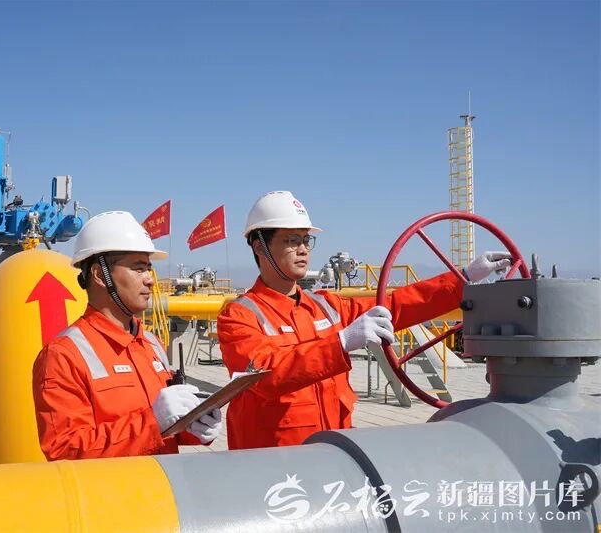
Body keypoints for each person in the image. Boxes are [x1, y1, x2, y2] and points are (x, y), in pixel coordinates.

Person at [217, 191, 512, 450]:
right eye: (291, 240)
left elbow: (395, 305)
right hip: (272, 464)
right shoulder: (239, 316)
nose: (303, 249)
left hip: (332, 452)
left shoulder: (326, 306)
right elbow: (266, 377)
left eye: (306, 239)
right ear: (259, 246)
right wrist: (340, 343)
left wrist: (463, 278)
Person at [32, 211, 222, 460]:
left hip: (163, 482)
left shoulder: (151, 343)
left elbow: (166, 430)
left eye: (149, 268)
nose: (150, 280)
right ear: (100, 275)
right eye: (138, 268)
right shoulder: (63, 356)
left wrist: (194, 426)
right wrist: (153, 422)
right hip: (112, 487)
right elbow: (65, 450)